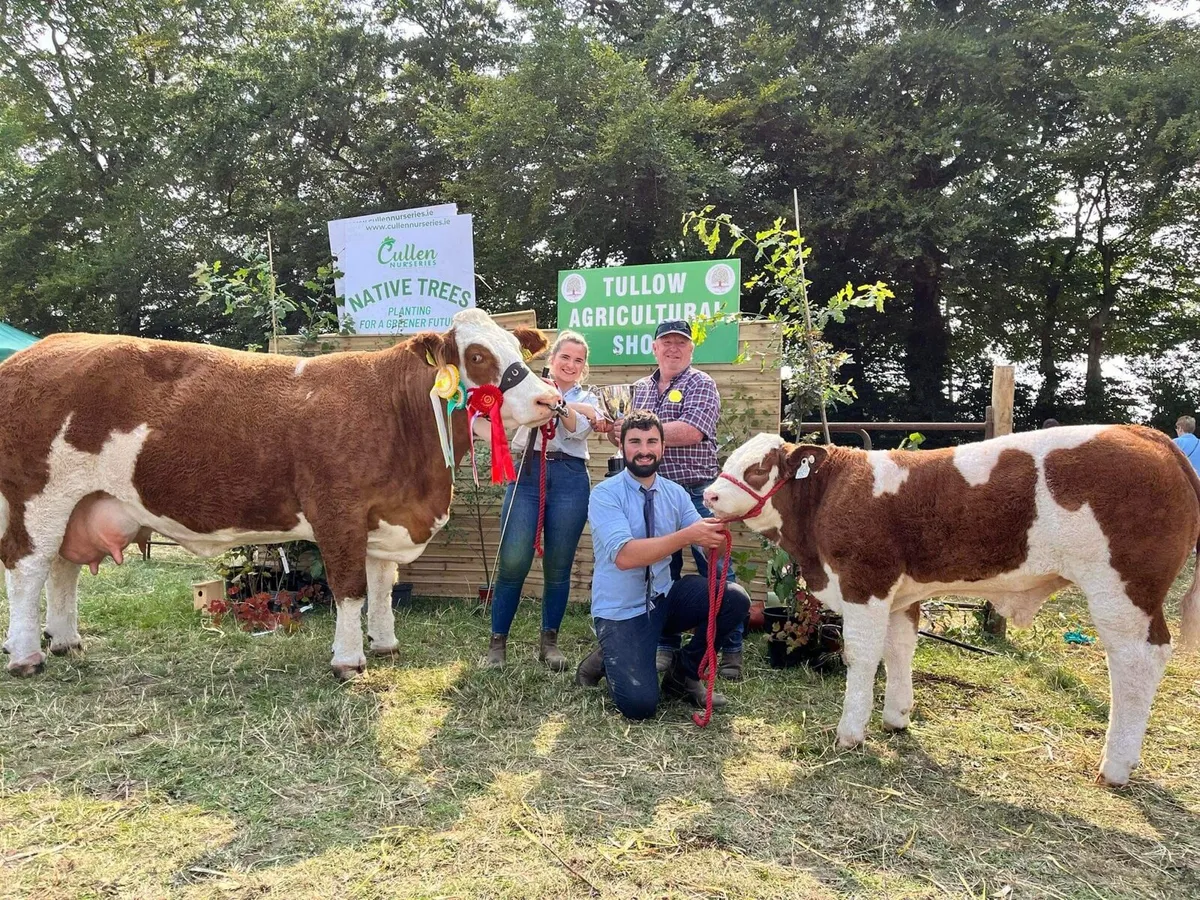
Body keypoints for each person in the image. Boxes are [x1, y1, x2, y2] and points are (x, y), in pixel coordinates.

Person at [577, 410, 750, 719]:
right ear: (623, 447)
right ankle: (604, 654)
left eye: (651, 441)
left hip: (663, 598)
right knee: (640, 706)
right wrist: (688, 535)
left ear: (663, 448)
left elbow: (712, 546)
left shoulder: (676, 493)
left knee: (734, 598)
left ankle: (684, 674)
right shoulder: (604, 494)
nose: (644, 450)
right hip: (621, 610)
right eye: (635, 442)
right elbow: (626, 556)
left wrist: (718, 528)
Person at [609, 319, 744, 680]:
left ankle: (729, 650)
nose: (672, 348)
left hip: (697, 491)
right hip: (651, 492)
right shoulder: (636, 389)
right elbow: (624, 442)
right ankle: (665, 647)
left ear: (690, 349)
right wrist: (613, 428)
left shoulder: (701, 383)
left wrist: (634, 432)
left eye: (679, 343)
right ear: (654, 349)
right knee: (658, 570)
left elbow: (691, 430)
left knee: (715, 569)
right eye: (665, 342)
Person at [483, 331, 610, 670]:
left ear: (584, 368)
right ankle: (497, 644)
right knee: (512, 562)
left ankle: (549, 644)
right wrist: (564, 405)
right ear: (552, 359)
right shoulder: (529, 384)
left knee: (558, 566)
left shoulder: (591, 397)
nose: (570, 364)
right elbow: (527, 414)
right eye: (565, 357)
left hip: (570, 478)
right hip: (526, 473)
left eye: (578, 360)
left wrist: (565, 405)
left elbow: (576, 428)